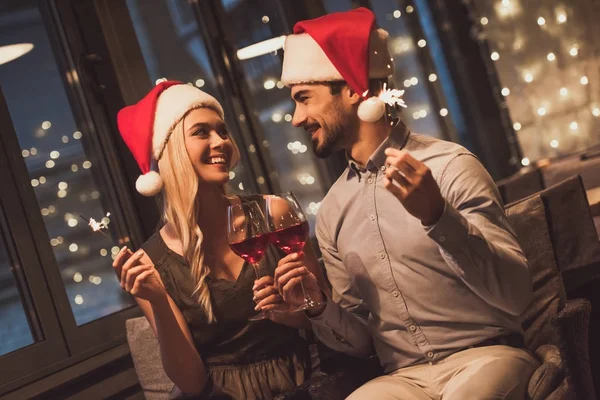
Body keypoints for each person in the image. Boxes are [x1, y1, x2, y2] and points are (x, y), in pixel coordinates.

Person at [274, 7, 539, 399]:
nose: (297, 118)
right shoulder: (331, 212)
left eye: (303, 98)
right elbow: (362, 341)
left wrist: (438, 216)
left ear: (351, 88)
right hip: (403, 380)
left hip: (488, 358)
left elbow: (517, 296)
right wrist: (317, 305)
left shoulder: (450, 166)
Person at [112, 80, 328, 399]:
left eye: (222, 131)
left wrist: (292, 314)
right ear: (170, 152)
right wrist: (157, 299)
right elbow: (191, 382)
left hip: (303, 381)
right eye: (202, 132)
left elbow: (326, 321)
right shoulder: (149, 264)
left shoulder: (274, 213)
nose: (221, 142)